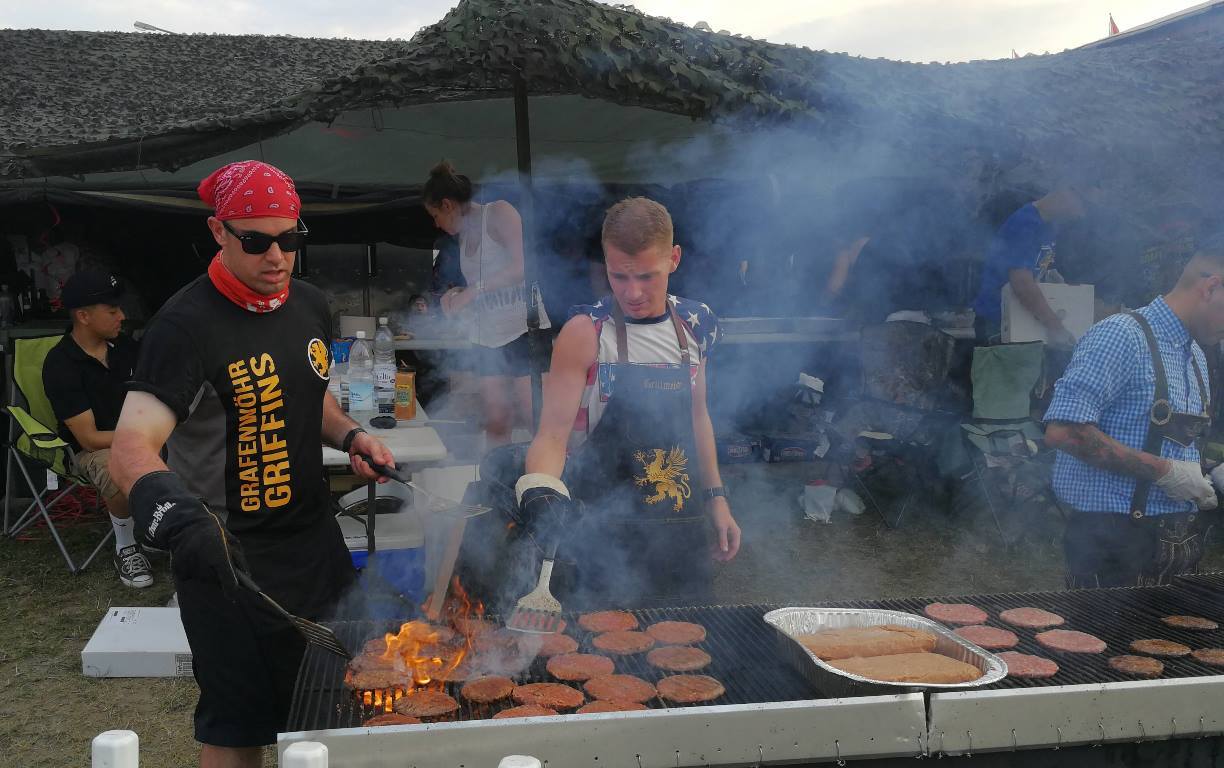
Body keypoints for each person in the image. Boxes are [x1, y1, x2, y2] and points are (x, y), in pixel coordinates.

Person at [108, 160, 393, 768]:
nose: (277, 257)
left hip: (315, 543)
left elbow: (310, 396)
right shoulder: (185, 325)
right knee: (238, 725)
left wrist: (353, 437)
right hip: (227, 558)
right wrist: (182, 524)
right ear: (219, 231)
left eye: (290, 239)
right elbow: (131, 448)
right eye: (257, 241)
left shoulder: (310, 305)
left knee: (349, 695)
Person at [512, 197, 741, 609]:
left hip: (677, 524)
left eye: (647, 277)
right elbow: (551, 436)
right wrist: (543, 494)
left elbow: (697, 416)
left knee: (688, 639)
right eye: (619, 276)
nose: (633, 292)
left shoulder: (697, 324)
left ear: (674, 258)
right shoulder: (585, 333)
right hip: (598, 525)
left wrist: (717, 498)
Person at [1043, 233, 1224, 588]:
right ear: (1211, 287)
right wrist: (1165, 472)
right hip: (1111, 545)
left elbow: (1171, 447)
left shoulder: (1197, 356)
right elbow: (1064, 432)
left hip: (1176, 548)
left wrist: (1210, 473)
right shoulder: (1122, 335)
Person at [423, 161, 550, 447]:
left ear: (447, 205)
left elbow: (523, 268)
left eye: (435, 215)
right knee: (495, 420)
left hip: (523, 330)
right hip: (488, 338)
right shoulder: (464, 236)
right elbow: (483, 285)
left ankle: (550, 482)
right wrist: (455, 297)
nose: (436, 224)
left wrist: (473, 292)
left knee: (535, 418)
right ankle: (496, 483)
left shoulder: (499, 212)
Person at [42, 269, 150, 588]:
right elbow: (89, 438)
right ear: (84, 316)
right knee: (121, 471)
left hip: (143, 435)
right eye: (113, 311)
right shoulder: (61, 363)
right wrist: (144, 438)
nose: (123, 317)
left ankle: (168, 533)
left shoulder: (127, 349)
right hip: (96, 449)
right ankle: (126, 545)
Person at [971, 184, 1099, 346]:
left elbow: (1038, 268)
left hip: (1022, 318)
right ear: (1067, 192)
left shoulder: (1049, 225)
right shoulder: (1024, 224)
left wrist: (1058, 286)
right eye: (1084, 205)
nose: (1082, 215)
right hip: (998, 322)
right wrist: (1055, 326)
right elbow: (1022, 283)